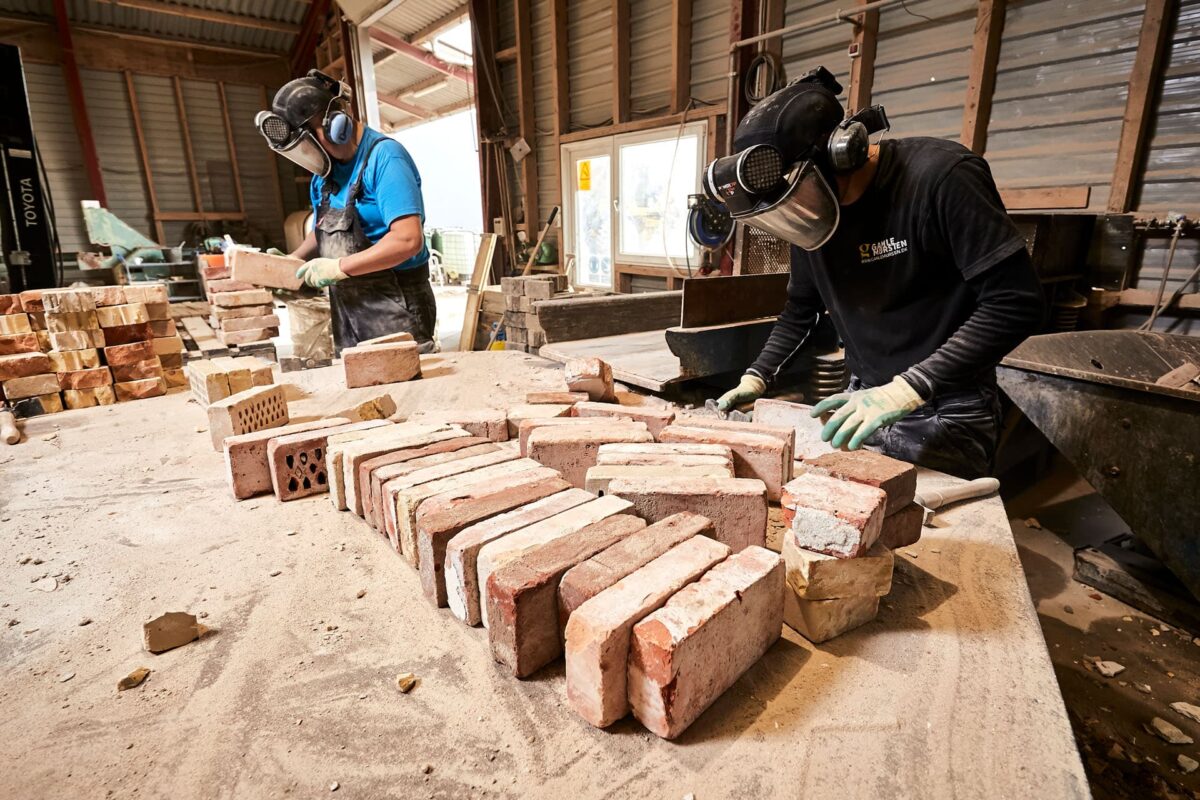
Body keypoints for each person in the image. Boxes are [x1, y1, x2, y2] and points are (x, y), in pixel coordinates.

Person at [708, 67, 1044, 479]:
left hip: (945, 405)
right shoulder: (812, 212)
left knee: (931, 534)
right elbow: (801, 310)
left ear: (842, 150)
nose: (798, 216)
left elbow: (1016, 302)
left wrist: (908, 388)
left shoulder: (941, 178)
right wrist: (757, 376)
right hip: (865, 397)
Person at [256, 70, 436, 354]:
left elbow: (408, 240)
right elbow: (324, 228)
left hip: (396, 301)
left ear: (335, 125)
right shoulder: (324, 174)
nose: (310, 157)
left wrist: (338, 267)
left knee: (407, 388)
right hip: (349, 307)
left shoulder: (385, 158)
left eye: (310, 146)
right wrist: (295, 259)